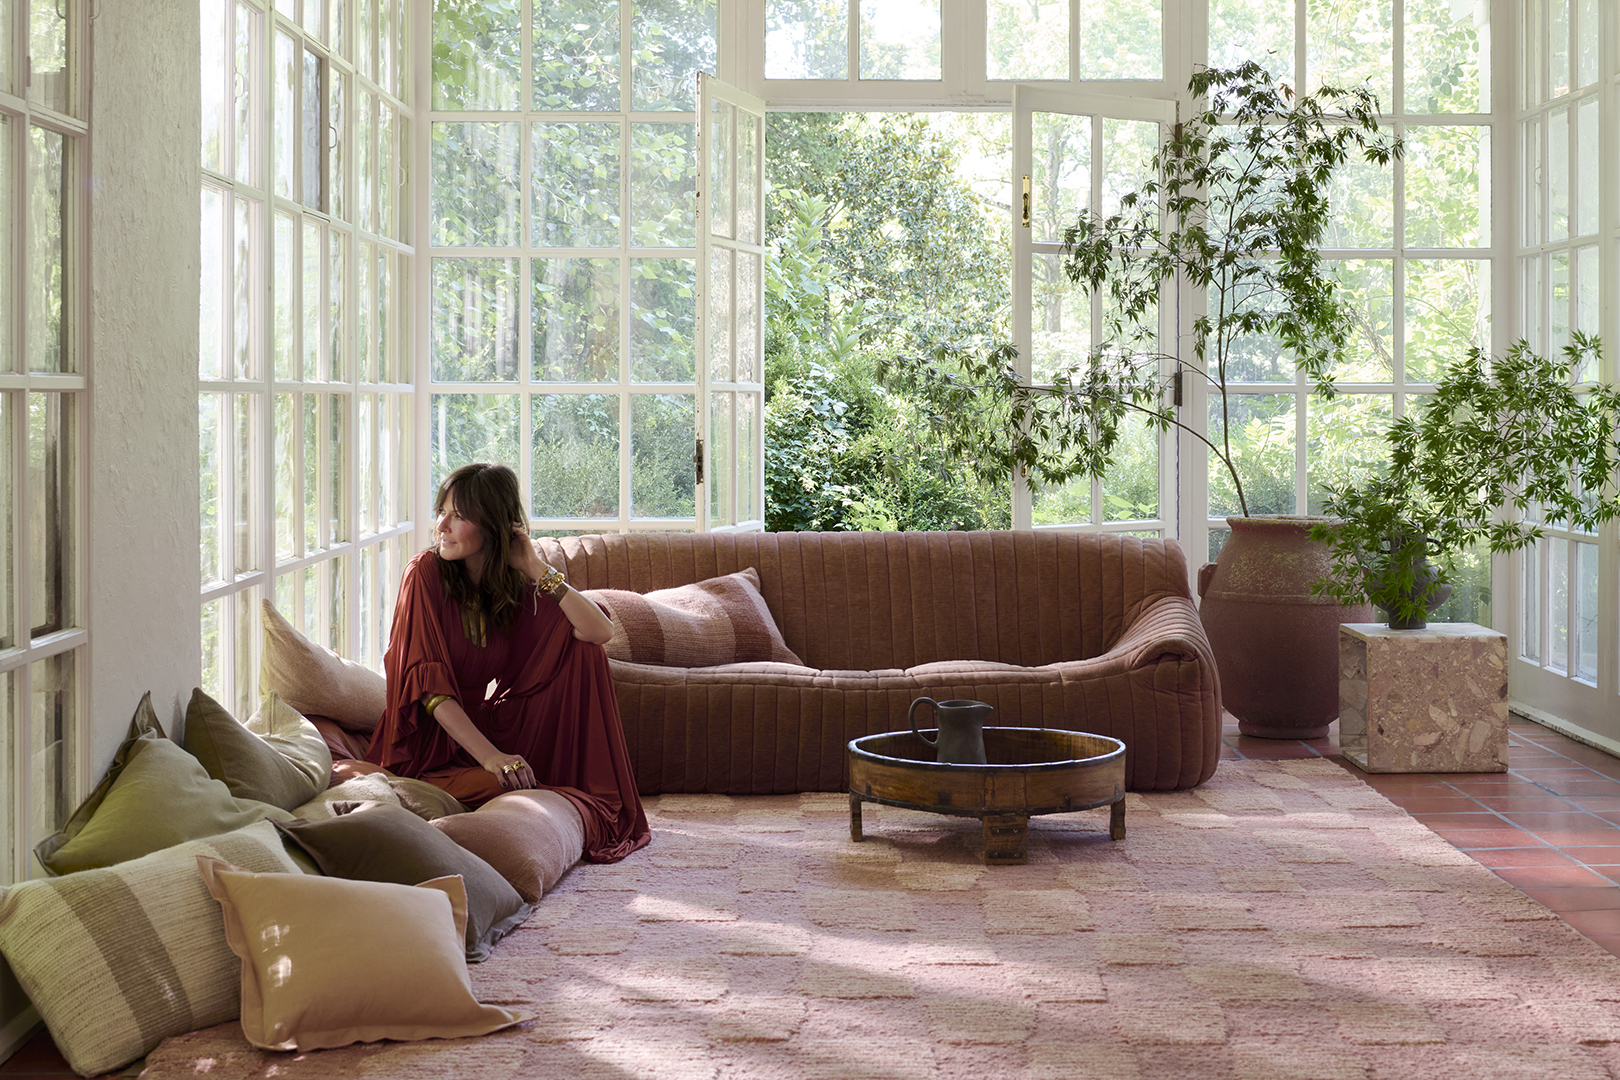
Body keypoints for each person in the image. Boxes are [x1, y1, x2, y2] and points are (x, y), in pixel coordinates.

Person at [366, 462, 650, 862]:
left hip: (482, 724)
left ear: (494, 527)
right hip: (428, 745)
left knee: (583, 651)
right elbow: (431, 693)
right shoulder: (424, 573)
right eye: (441, 511)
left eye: (459, 516)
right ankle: (547, 793)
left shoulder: (508, 585)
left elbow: (598, 632)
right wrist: (491, 758)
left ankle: (564, 790)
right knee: (509, 787)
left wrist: (535, 568)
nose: (441, 526)